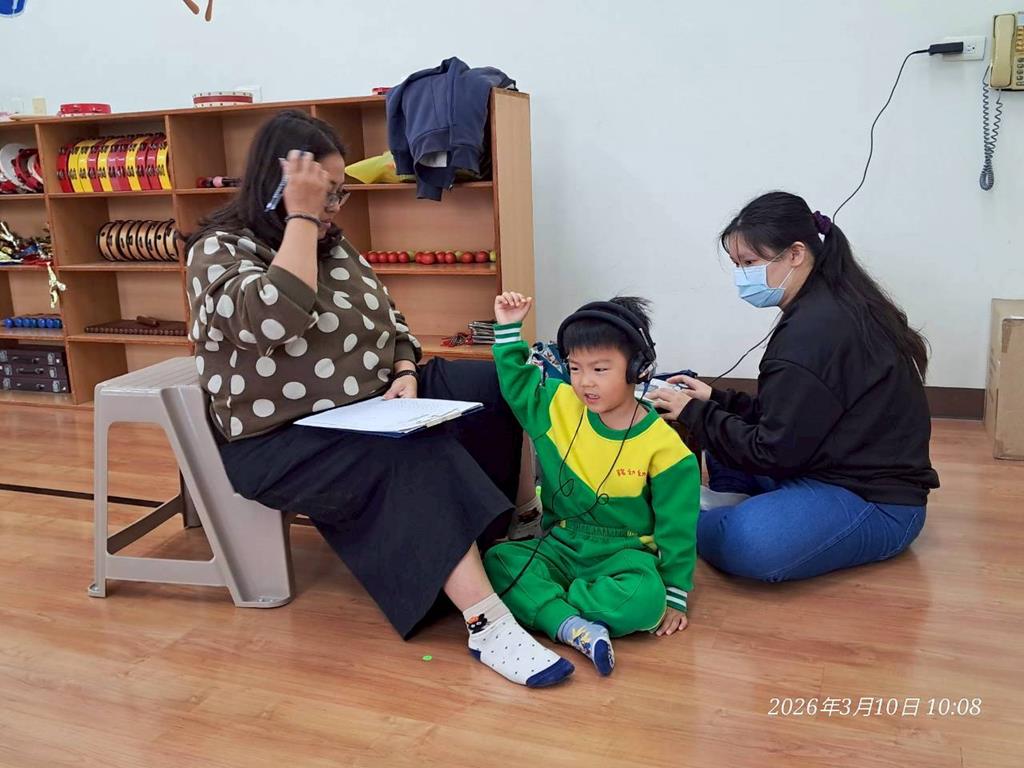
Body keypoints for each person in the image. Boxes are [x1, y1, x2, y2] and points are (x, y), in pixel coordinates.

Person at [184, 110, 574, 688]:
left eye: (337, 194)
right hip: (281, 439)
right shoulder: (217, 250)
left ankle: (502, 537)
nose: (334, 207)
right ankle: (487, 623)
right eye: (326, 193)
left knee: (496, 385)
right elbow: (273, 319)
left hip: (374, 403)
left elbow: (390, 321)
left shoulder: (333, 244)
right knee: (412, 451)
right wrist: (301, 218)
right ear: (281, 185)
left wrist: (405, 371)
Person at [648, 191, 939, 583]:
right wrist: (715, 399)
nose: (742, 276)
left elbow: (773, 451)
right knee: (720, 421)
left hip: (875, 501)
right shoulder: (830, 301)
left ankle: (674, 520)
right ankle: (733, 500)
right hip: (821, 461)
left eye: (749, 263)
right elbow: (797, 412)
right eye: (737, 265)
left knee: (750, 543)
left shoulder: (813, 331)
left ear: (796, 254)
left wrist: (697, 413)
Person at [483, 291, 699, 677]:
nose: (585, 382)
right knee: (497, 561)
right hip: (559, 544)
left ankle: (548, 607)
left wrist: (675, 593)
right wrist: (509, 330)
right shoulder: (557, 405)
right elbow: (517, 386)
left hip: (625, 553)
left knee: (646, 599)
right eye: (575, 368)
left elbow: (677, 529)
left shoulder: (667, 450)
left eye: (600, 369)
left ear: (638, 369)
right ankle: (571, 626)